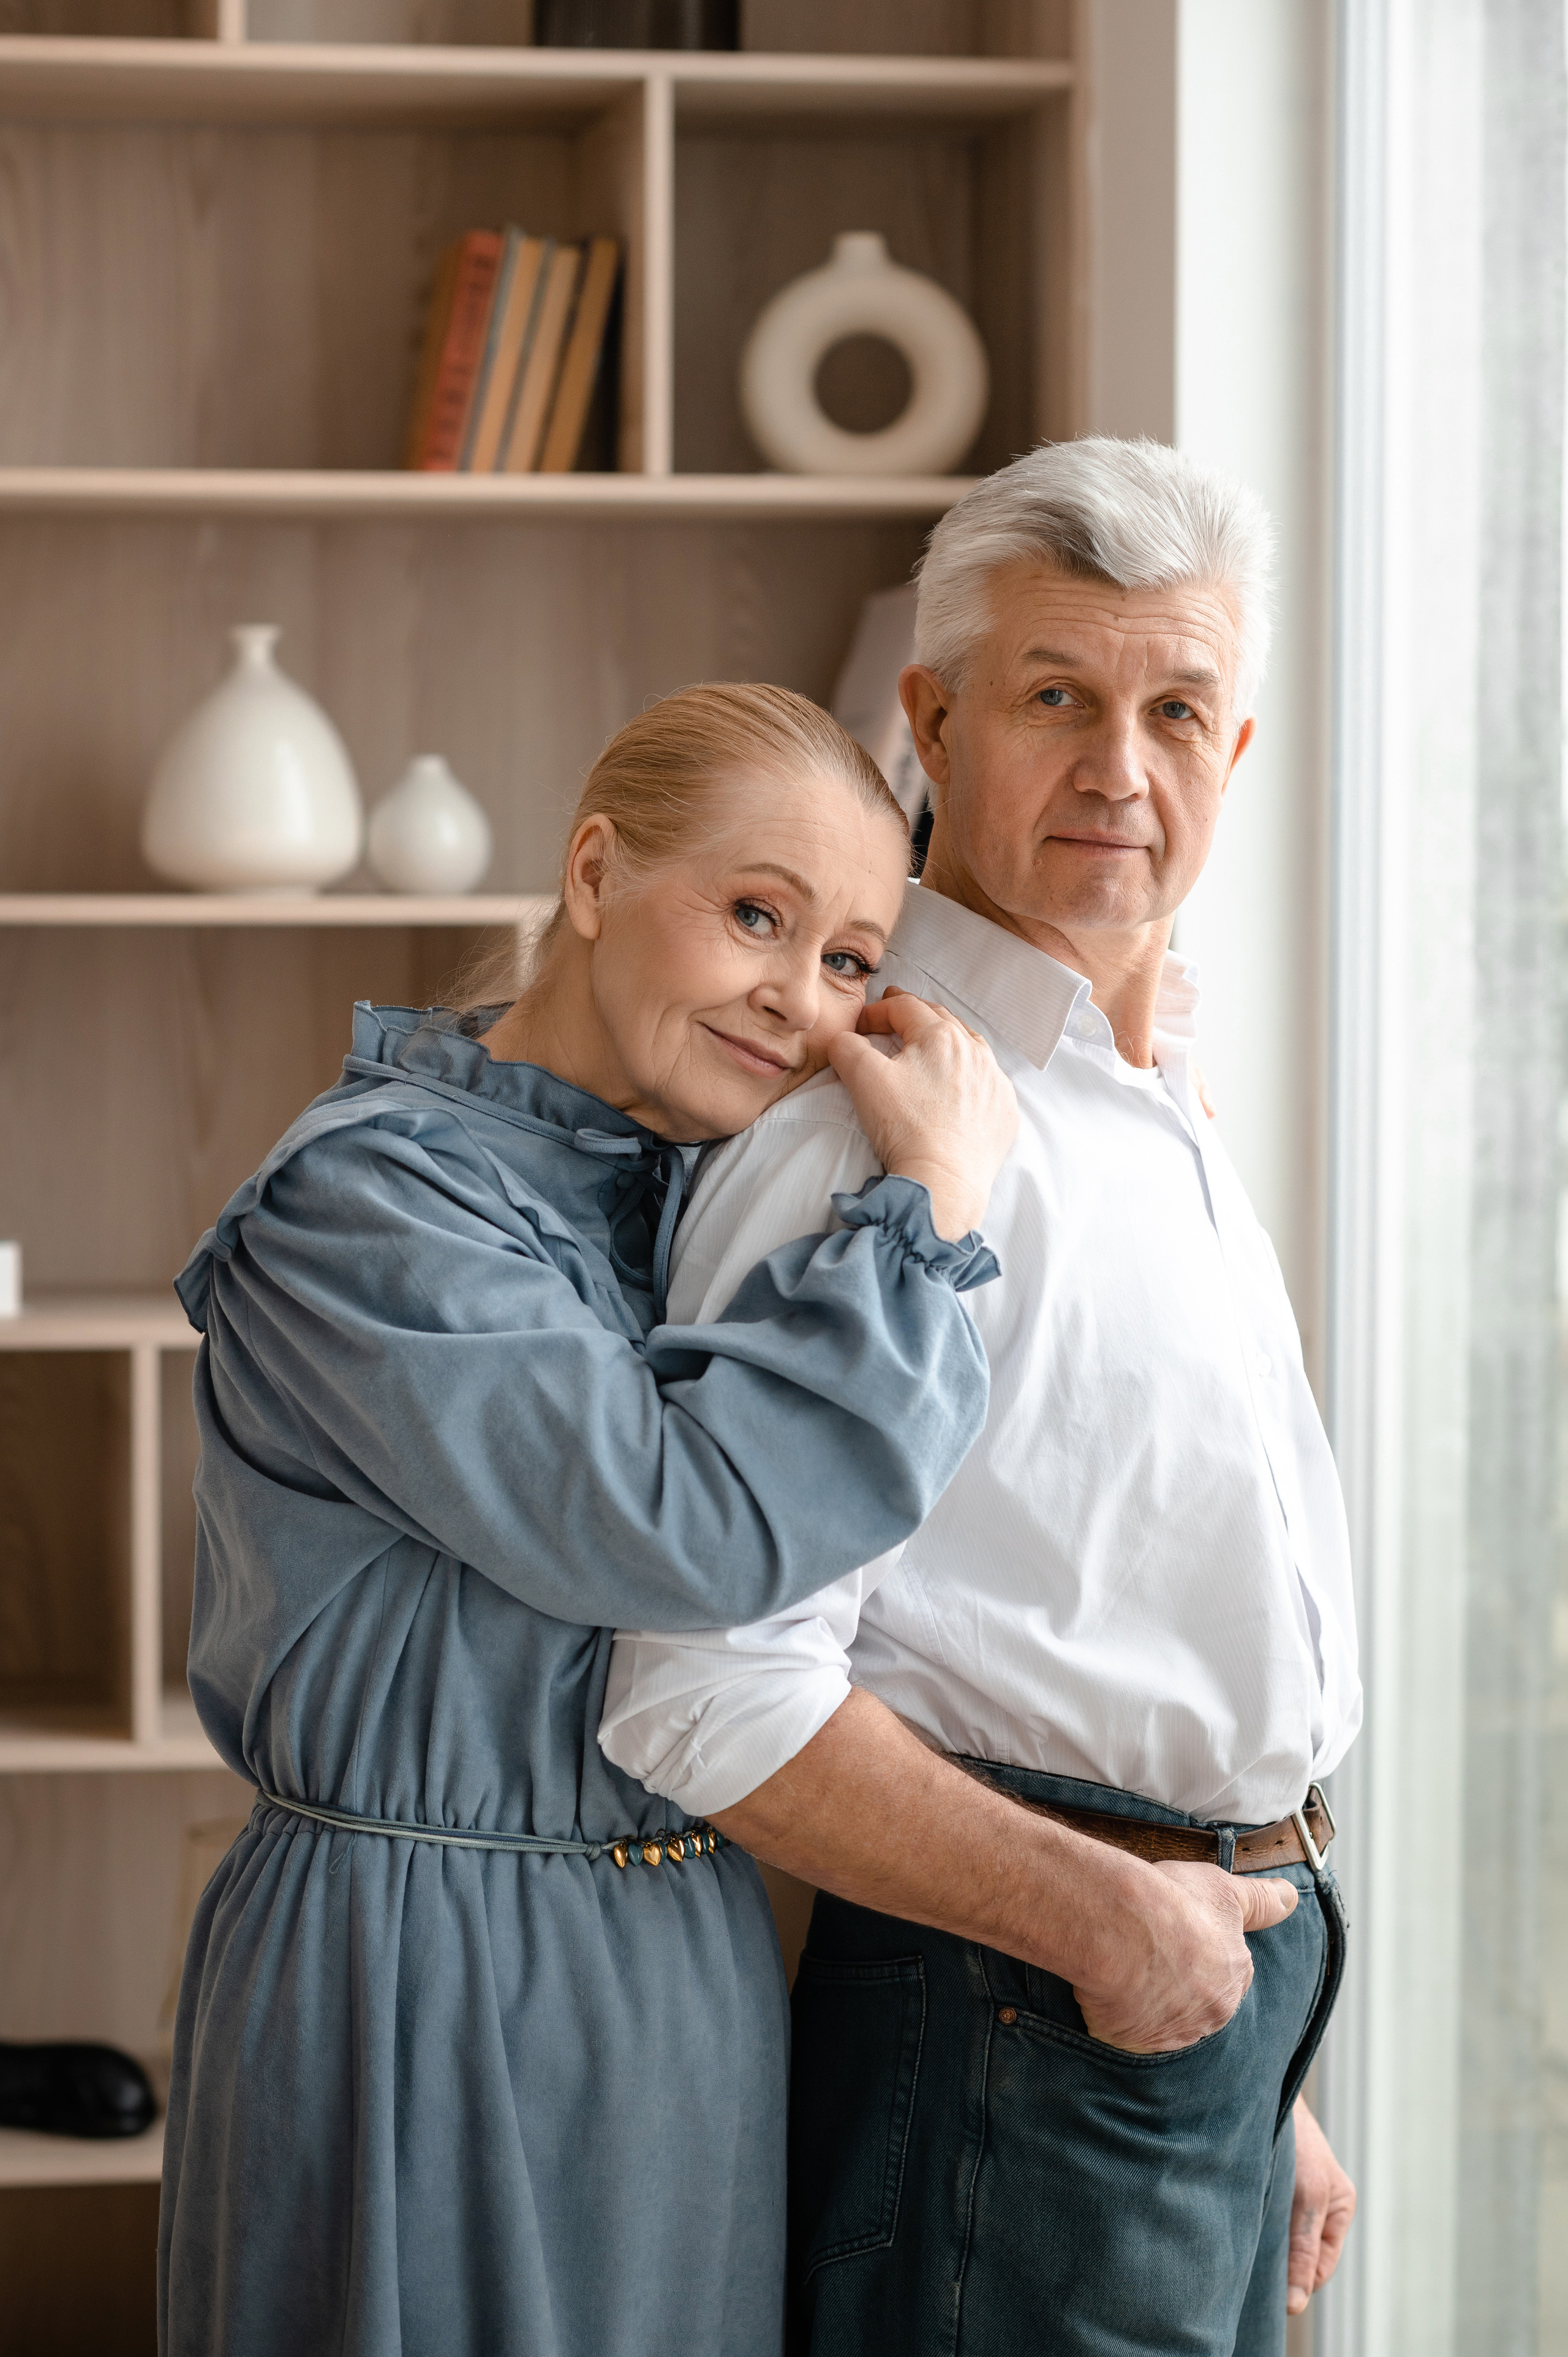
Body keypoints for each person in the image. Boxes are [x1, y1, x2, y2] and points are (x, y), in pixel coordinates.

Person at [601, 439, 1362, 2357]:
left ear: (1239, 754)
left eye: (1177, 710)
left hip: (1184, 2018)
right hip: (1022, 2011)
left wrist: (1265, 2057)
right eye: (1057, 698)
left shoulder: (1151, 1092)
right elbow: (705, 1684)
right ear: (931, 721)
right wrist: (1117, 1932)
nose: (1124, 769)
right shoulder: (874, 1121)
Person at [157, 683, 1019, 2357]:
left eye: (849, 961)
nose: (794, 997)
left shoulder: (707, 1205)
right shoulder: (366, 1202)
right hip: (410, 1964)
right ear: (599, 873)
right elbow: (675, 1526)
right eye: (755, 914)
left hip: (683, 1960)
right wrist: (931, 1220)